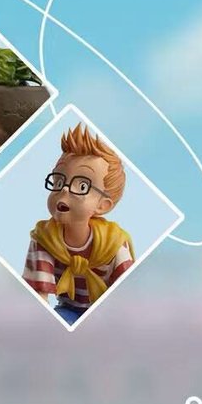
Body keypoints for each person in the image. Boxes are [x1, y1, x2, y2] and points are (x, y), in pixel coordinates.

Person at [21, 123, 136, 326]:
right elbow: (38, 295)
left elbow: (128, 294)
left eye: (82, 185)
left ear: (103, 205)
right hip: (67, 310)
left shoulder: (115, 244)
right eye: (59, 181)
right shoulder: (44, 239)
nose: (64, 190)